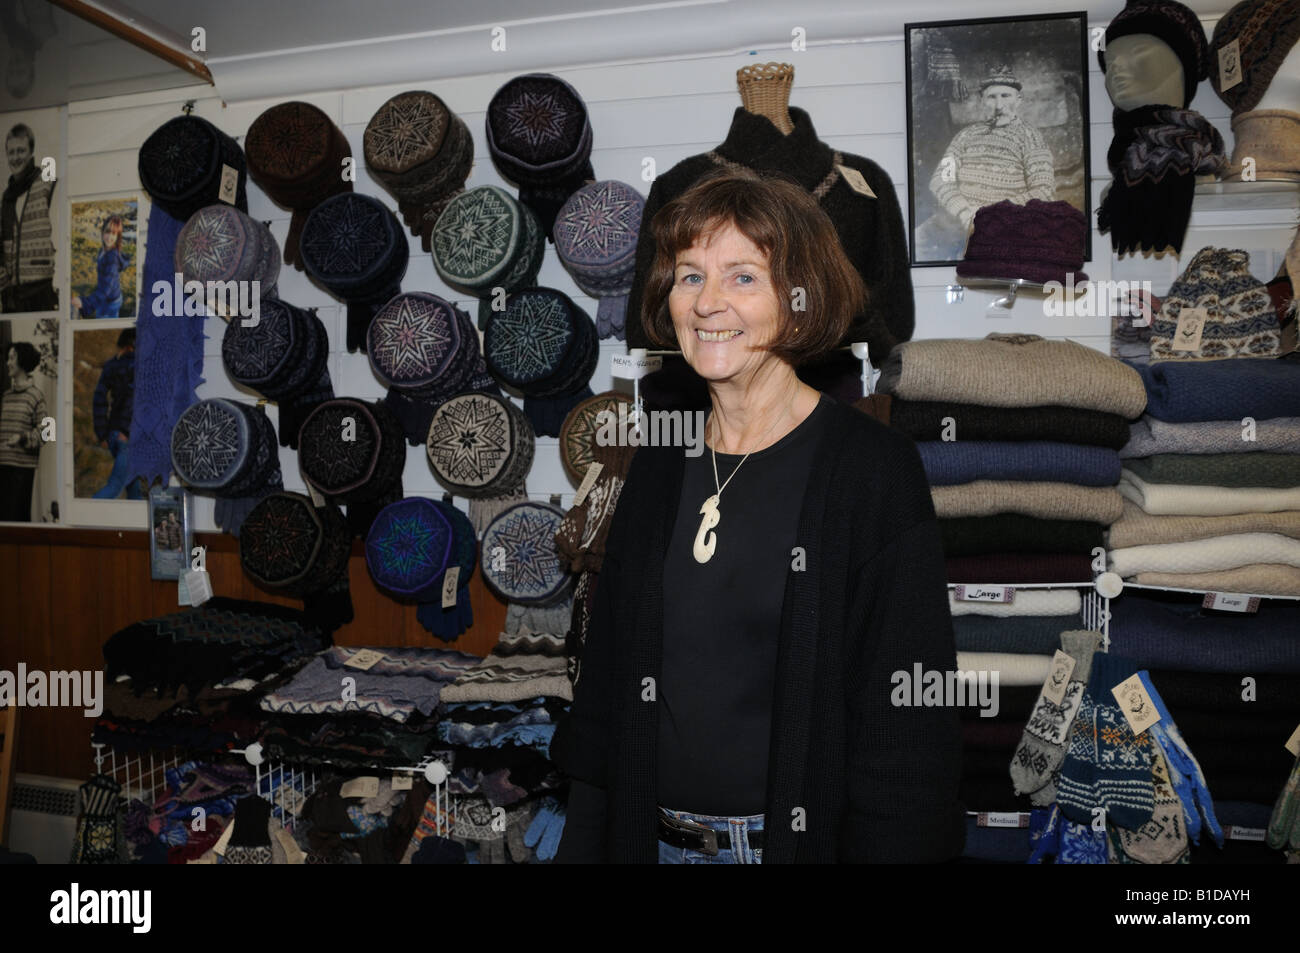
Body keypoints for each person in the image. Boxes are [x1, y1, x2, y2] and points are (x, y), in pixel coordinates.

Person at [551, 170, 964, 863]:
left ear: (799, 300)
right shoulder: (657, 457)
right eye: (689, 276)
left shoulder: (872, 469)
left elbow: (907, 732)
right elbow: (610, 684)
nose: (707, 302)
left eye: (742, 277)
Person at [920, 66, 1056, 258]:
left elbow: (1044, 191)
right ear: (982, 100)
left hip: (1006, 224)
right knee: (917, 246)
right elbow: (940, 179)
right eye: (992, 97)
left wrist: (990, 214)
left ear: (1019, 100)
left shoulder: (1031, 138)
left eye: (1005, 96)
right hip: (957, 220)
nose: (999, 105)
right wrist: (964, 212)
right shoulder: (966, 135)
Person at [1, 122, 57, 313]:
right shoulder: (6, 197)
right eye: (11, 152)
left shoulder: (45, 182)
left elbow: (55, 158)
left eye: (21, 151)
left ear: (31, 152)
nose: (16, 157)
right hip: (13, 294)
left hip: (40, 289)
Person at [92, 327, 142, 500]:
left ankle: (138, 524)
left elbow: (99, 399)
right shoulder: (139, 366)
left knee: (134, 491)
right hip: (127, 437)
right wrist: (126, 432)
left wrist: (103, 433)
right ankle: (85, 516)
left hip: (114, 435)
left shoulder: (110, 365)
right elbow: (134, 401)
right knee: (114, 487)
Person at [0, 339, 46, 520]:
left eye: (12, 358)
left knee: (17, 519)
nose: (8, 363)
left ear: (23, 361)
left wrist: (21, 438)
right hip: (2, 466)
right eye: (8, 358)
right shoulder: (5, 396)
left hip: (21, 471)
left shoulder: (37, 396)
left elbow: (47, 433)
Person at [73, 215, 130, 318]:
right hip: (112, 297)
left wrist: (85, 302)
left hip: (109, 302)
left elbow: (106, 289)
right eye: (107, 231)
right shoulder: (103, 250)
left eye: (114, 233)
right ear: (102, 231)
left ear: (118, 237)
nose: (109, 237)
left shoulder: (112, 257)